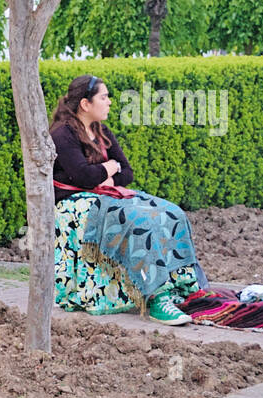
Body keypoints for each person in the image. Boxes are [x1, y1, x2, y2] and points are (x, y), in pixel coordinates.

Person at [49, 74, 205, 325]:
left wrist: (106, 176)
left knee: (171, 213)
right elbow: (83, 176)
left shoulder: (101, 131)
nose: (110, 102)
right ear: (85, 104)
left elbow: (127, 172)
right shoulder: (63, 134)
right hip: (74, 203)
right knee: (137, 220)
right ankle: (155, 296)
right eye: (104, 97)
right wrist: (110, 168)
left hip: (105, 194)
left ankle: (182, 285)